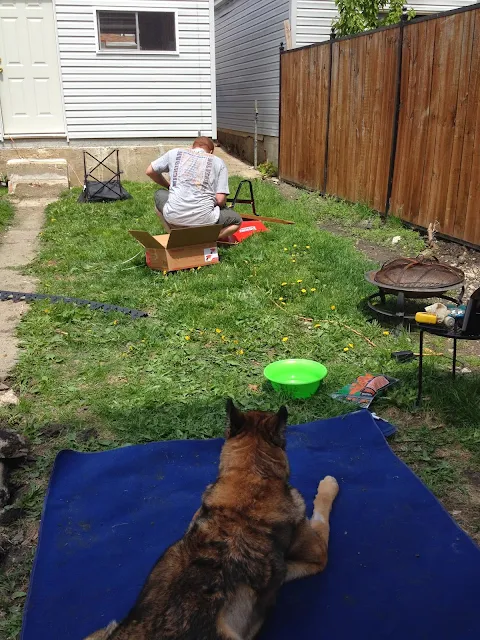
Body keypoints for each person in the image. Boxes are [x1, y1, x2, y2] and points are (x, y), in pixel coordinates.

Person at [146, 137, 242, 240]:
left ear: (192, 147)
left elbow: (150, 171)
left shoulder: (174, 153)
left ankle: (175, 236)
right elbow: (220, 199)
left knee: (159, 195)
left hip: (174, 217)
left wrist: (169, 186)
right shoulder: (218, 162)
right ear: (211, 152)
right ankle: (205, 240)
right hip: (205, 221)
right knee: (237, 221)